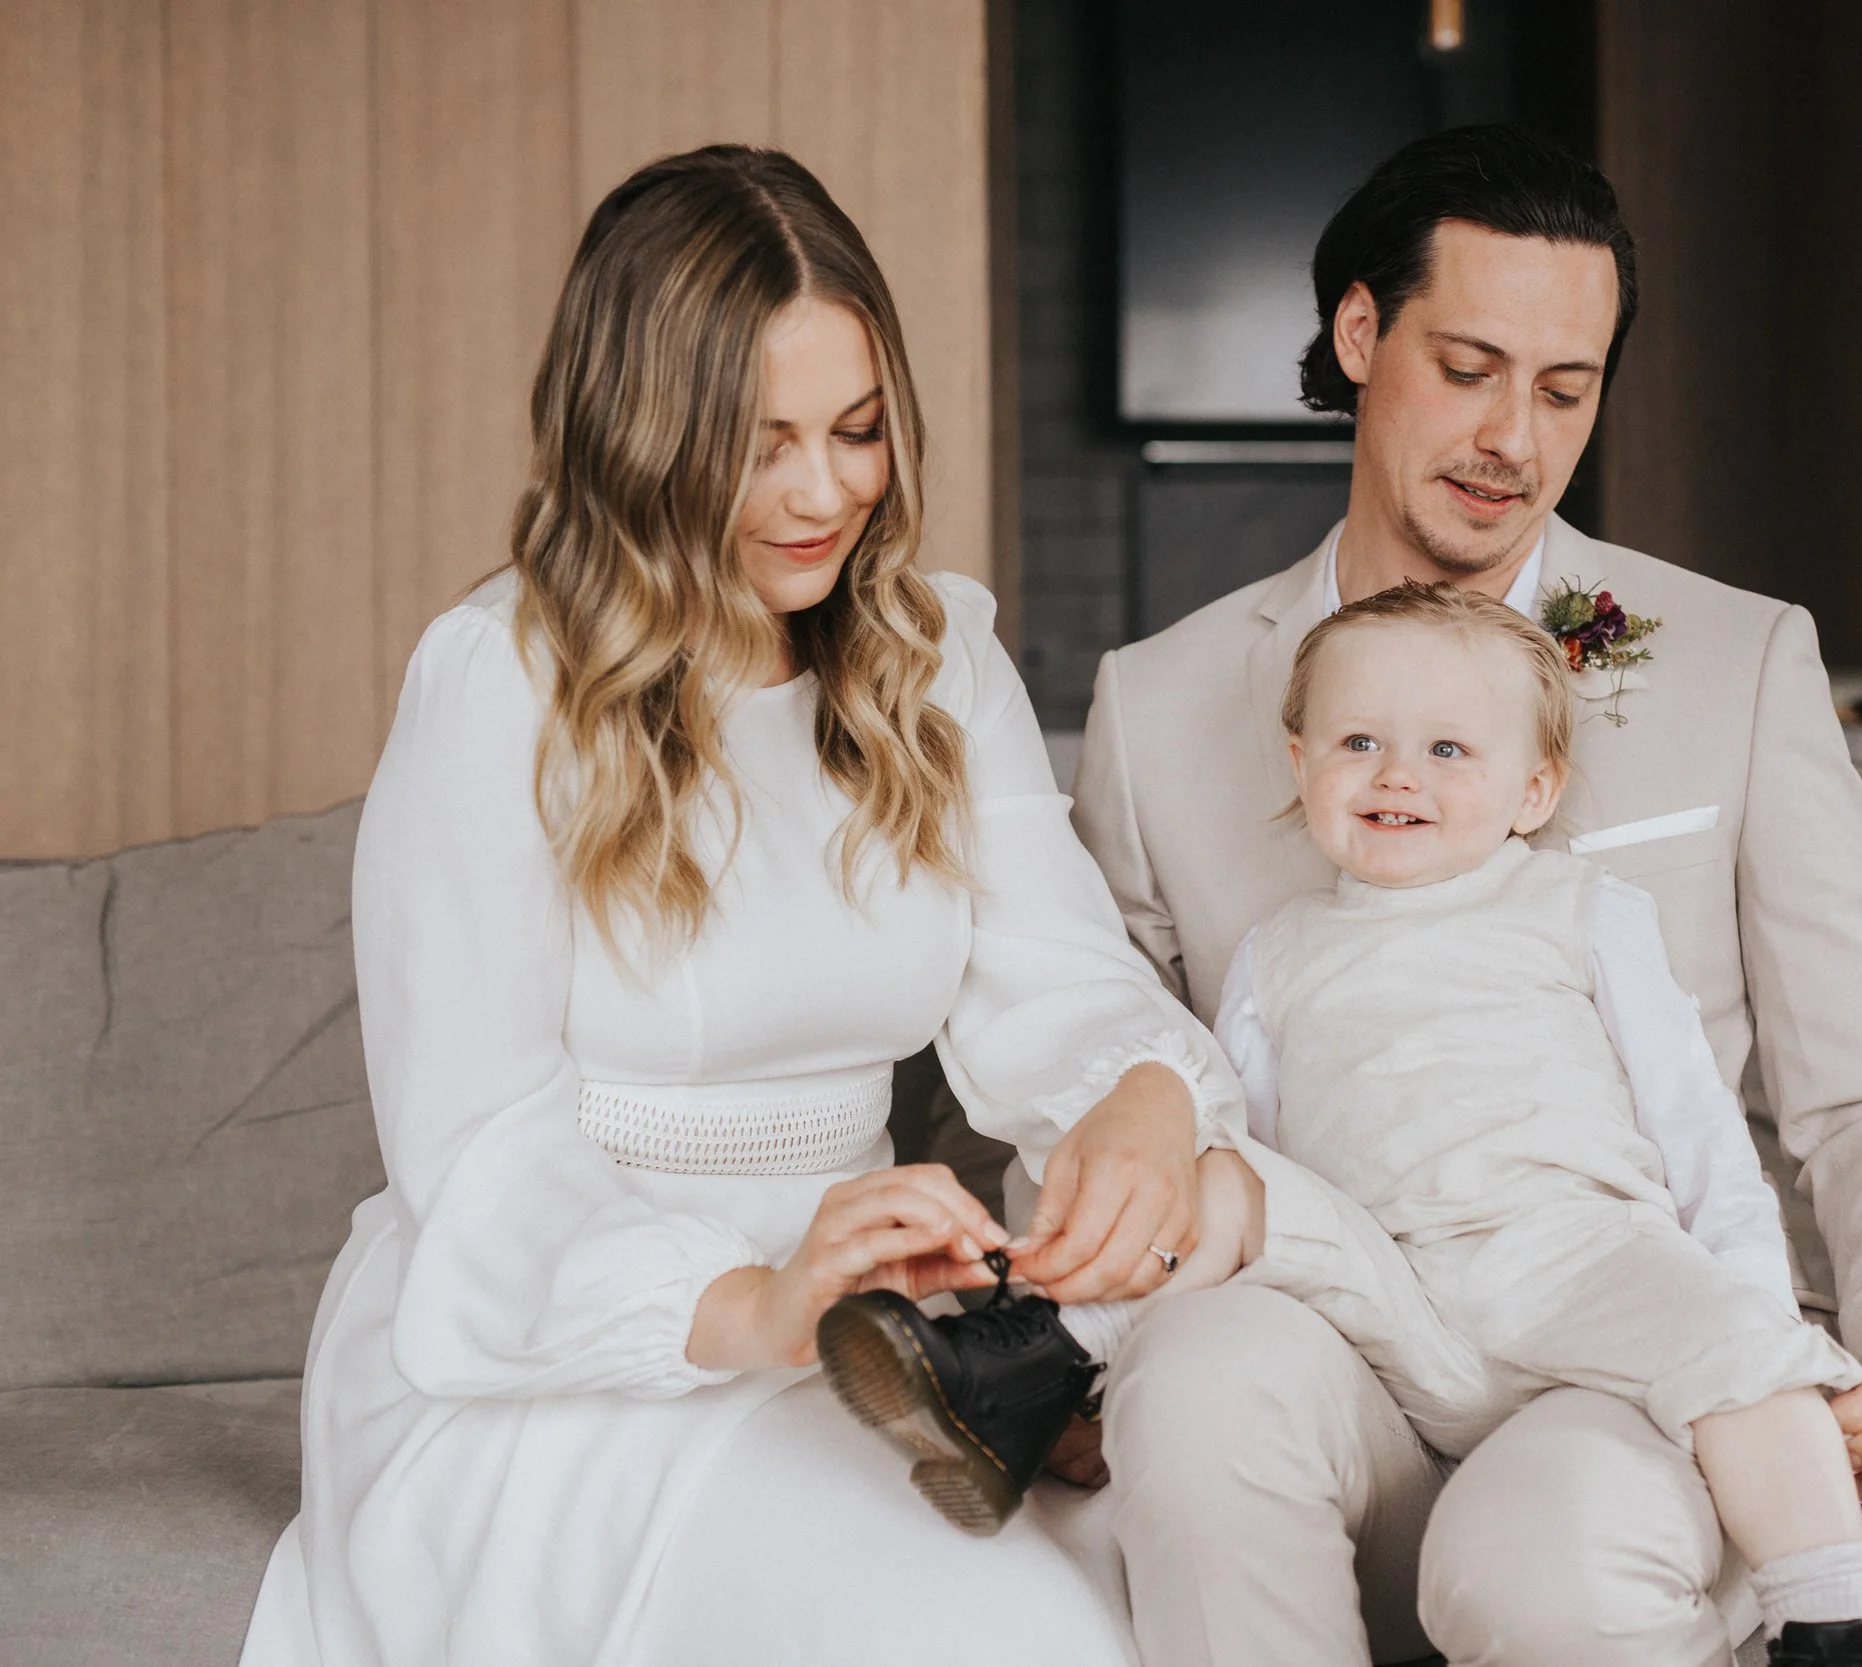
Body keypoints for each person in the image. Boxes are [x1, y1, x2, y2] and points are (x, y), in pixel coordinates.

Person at [237, 144, 1253, 1667]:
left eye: (856, 432)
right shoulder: (500, 681)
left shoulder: (930, 651)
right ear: (638, 437)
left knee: (1170, 1573)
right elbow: (478, 1149)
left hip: (875, 1330)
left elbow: (1063, 984)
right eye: (760, 442)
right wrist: (757, 1304)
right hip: (569, 1352)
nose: (824, 490)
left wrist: (1153, 1097)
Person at [1072, 124, 1862, 1667]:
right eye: (1469, 365)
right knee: (1196, 1381)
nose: (1514, 433)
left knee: (1547, 1557)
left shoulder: (1732, 660)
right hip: (1329, 1331)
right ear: (1359, 333)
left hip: (1614, 1360)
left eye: (1565, 391)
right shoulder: (1157, 704)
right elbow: (1104, 1069)